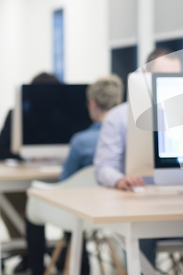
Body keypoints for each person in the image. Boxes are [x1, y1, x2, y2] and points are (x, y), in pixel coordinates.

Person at [93, 48, 183, 267]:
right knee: (141, 242)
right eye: (163, 77)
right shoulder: (119, 117)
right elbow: (103, 167)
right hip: (140, 207)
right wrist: (119, 179)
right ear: (145, 76)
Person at [27, 75, 123, 275]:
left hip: (82, 212)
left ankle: (37, 269)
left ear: (92, 102)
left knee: (33, 202)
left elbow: (65, 183)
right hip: (116, 210)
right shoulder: (126, 137)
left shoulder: (81, 141)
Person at [0, 72, 60, 273]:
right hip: (20, 183)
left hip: (55, 183)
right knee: (12, 201)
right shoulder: (17, 115)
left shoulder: (60, 117)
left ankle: (57, 253)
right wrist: (25, 155)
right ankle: (28, 253)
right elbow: (2, 149)